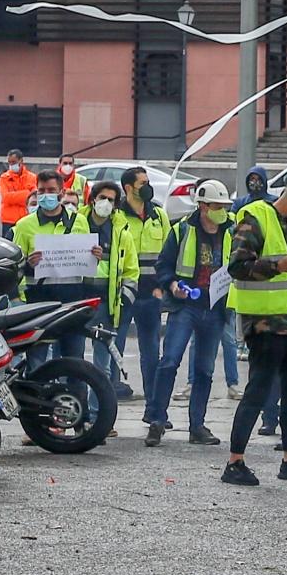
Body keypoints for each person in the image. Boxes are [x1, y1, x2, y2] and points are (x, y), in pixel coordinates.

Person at [221, 175, 287, 487]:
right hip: (267, 325)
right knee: (258, 392)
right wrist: (276, 266)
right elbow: (238, 266)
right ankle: (234, 462)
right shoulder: (256, 218)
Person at [145, 179, 237, 447]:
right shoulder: (182, 230)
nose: (222, 211)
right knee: (169, 361)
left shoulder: (232, 230)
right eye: (216, 206)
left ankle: (197, 425)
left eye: (224, 206)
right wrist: (173, 285)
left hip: (216, 308)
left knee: (205, 370)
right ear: (203, 206)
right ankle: (157, 420)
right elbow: (163, 266)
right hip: (186, 306)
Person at [13, 170, 91, 363]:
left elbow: (85, 263)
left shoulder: (79, 221)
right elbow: (14, 266)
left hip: (72, 301)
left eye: (51, 190)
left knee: (74, 361)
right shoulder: (24, 225)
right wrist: (29, 264)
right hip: (38, 302)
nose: (46, 194)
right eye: (41, 191)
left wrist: (94, 256)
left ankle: (74, 394)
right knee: (37, 361)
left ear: (61, 192)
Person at [81, 182, 140, 409]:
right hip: (77, 300)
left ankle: (97, 416)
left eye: (111, 200)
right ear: (93, 198)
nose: (106, 203)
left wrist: (123, 301)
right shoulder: (76, 224)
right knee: (72, 363)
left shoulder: (121, 232)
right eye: (102, 197)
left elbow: (131, 271)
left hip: (106, 304)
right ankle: (75, 416)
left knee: (102, 366)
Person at [114, 166, 171, 404]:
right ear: (128, 188)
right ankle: (108, 404)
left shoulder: (159, 215)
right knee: (113, 350)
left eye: (148, 182)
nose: (148, 187)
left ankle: (153, 405)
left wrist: (163, 287)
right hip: (123, 294)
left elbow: (169, 253)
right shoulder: (116, 216)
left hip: (151, 294)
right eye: (142, 184)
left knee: (151, 353)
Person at [0, 150, 38, 238]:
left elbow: (34, 197)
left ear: (21, 161)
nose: (11, 165)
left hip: (26, 218)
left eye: (14, 162)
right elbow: (6, 198)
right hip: (9, 220)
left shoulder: (32, 177)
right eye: (9, 162)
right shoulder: (4, 178)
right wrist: (27, 193)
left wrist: (14, 196)